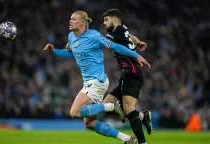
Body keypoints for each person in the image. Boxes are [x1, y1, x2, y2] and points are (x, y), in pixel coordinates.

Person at [43, 10, 150, 144]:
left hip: (96, 81)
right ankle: (127, 139)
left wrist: (137, 55)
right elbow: (74, 53)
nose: (70, 21)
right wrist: (55, 51)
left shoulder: (94, 36)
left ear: (82, 23)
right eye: (70, 19)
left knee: (74, 112)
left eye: (74, 19)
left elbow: (116, 47)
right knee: (90, 123)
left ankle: (110, 107)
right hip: (89, 82)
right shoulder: (71, 36)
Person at [102, 9, 152, 144]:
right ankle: (142, 115)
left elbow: (100, 41)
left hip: (132, 74)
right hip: (126, 76)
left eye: (106, 20)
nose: (104, 23)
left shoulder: (114, 34)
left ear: (115, 20)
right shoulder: (123, 30)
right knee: (105, 105)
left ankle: (143, 142)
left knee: (128, 109)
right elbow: (131, 37)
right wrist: (139, 42)